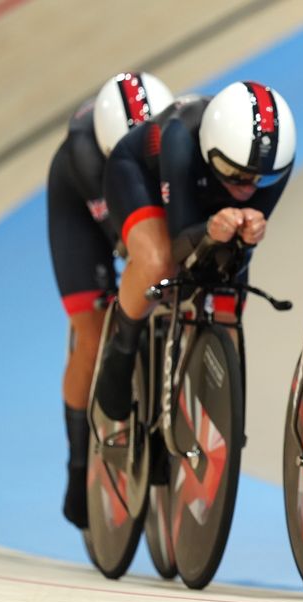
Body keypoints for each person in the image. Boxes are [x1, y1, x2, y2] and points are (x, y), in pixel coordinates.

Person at [92, 81, 295, 428]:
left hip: (205, 197)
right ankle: (122, 348)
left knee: (228, 299)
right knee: (159, 264)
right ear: (211, 151)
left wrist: (247, 234)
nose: (248, 189)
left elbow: (237, 255)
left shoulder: (276, 165)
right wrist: (208, 230)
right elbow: (178, 243)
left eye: (261, 181)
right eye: (237, 175)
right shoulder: (179, 137)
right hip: (142, 178)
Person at [47, 72, 174, 528]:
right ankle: (78, 464)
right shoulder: (86, 151)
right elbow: (126, 242)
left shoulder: (168, 132)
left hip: (134, 184)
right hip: (82, 209)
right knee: (94, 328)